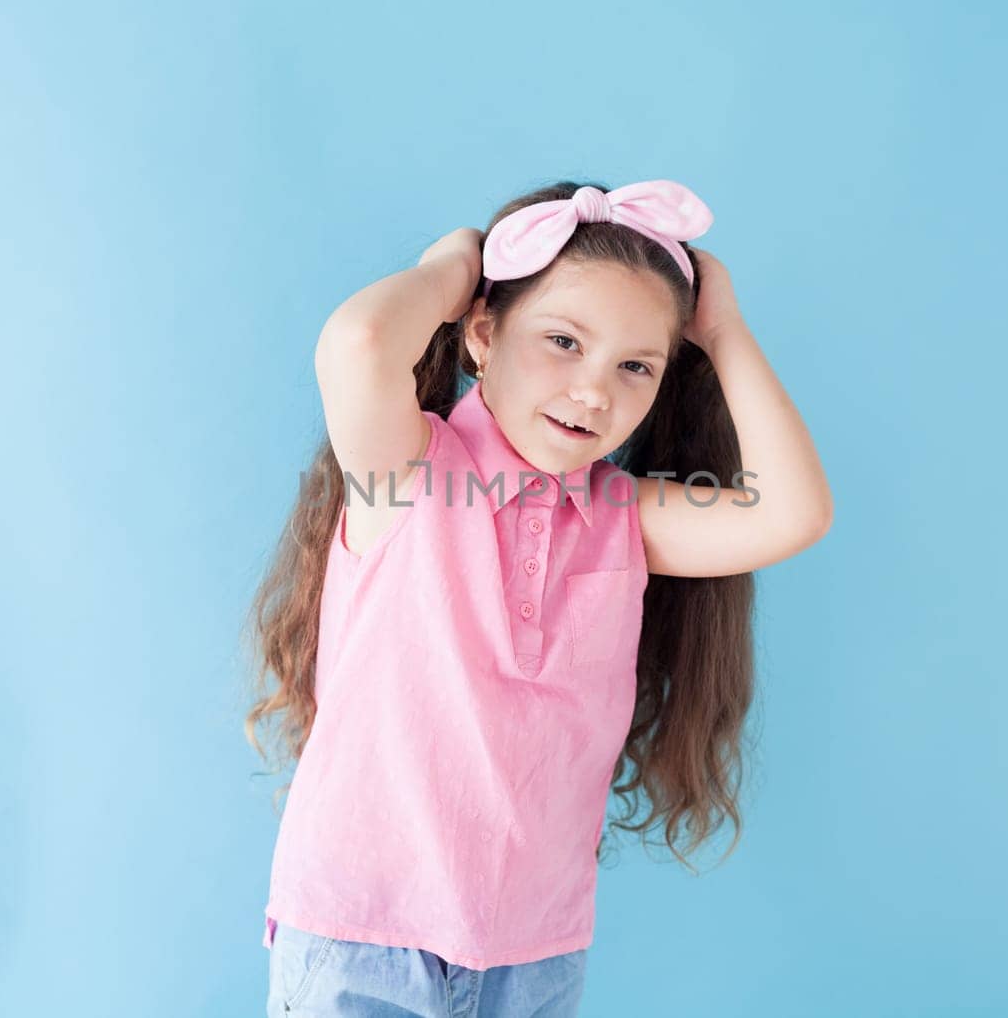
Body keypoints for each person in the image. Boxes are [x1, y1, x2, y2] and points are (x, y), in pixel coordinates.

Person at [244, 179, 834, 1015]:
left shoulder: (622, 519)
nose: (596, 391)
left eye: (635, 366)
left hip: (533, 952)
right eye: (562, 341)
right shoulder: (408, 472)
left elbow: (794, 510)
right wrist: (454, 267)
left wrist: (725, 332)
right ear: (483, 334)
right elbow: (361, 341)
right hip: (362, 935)